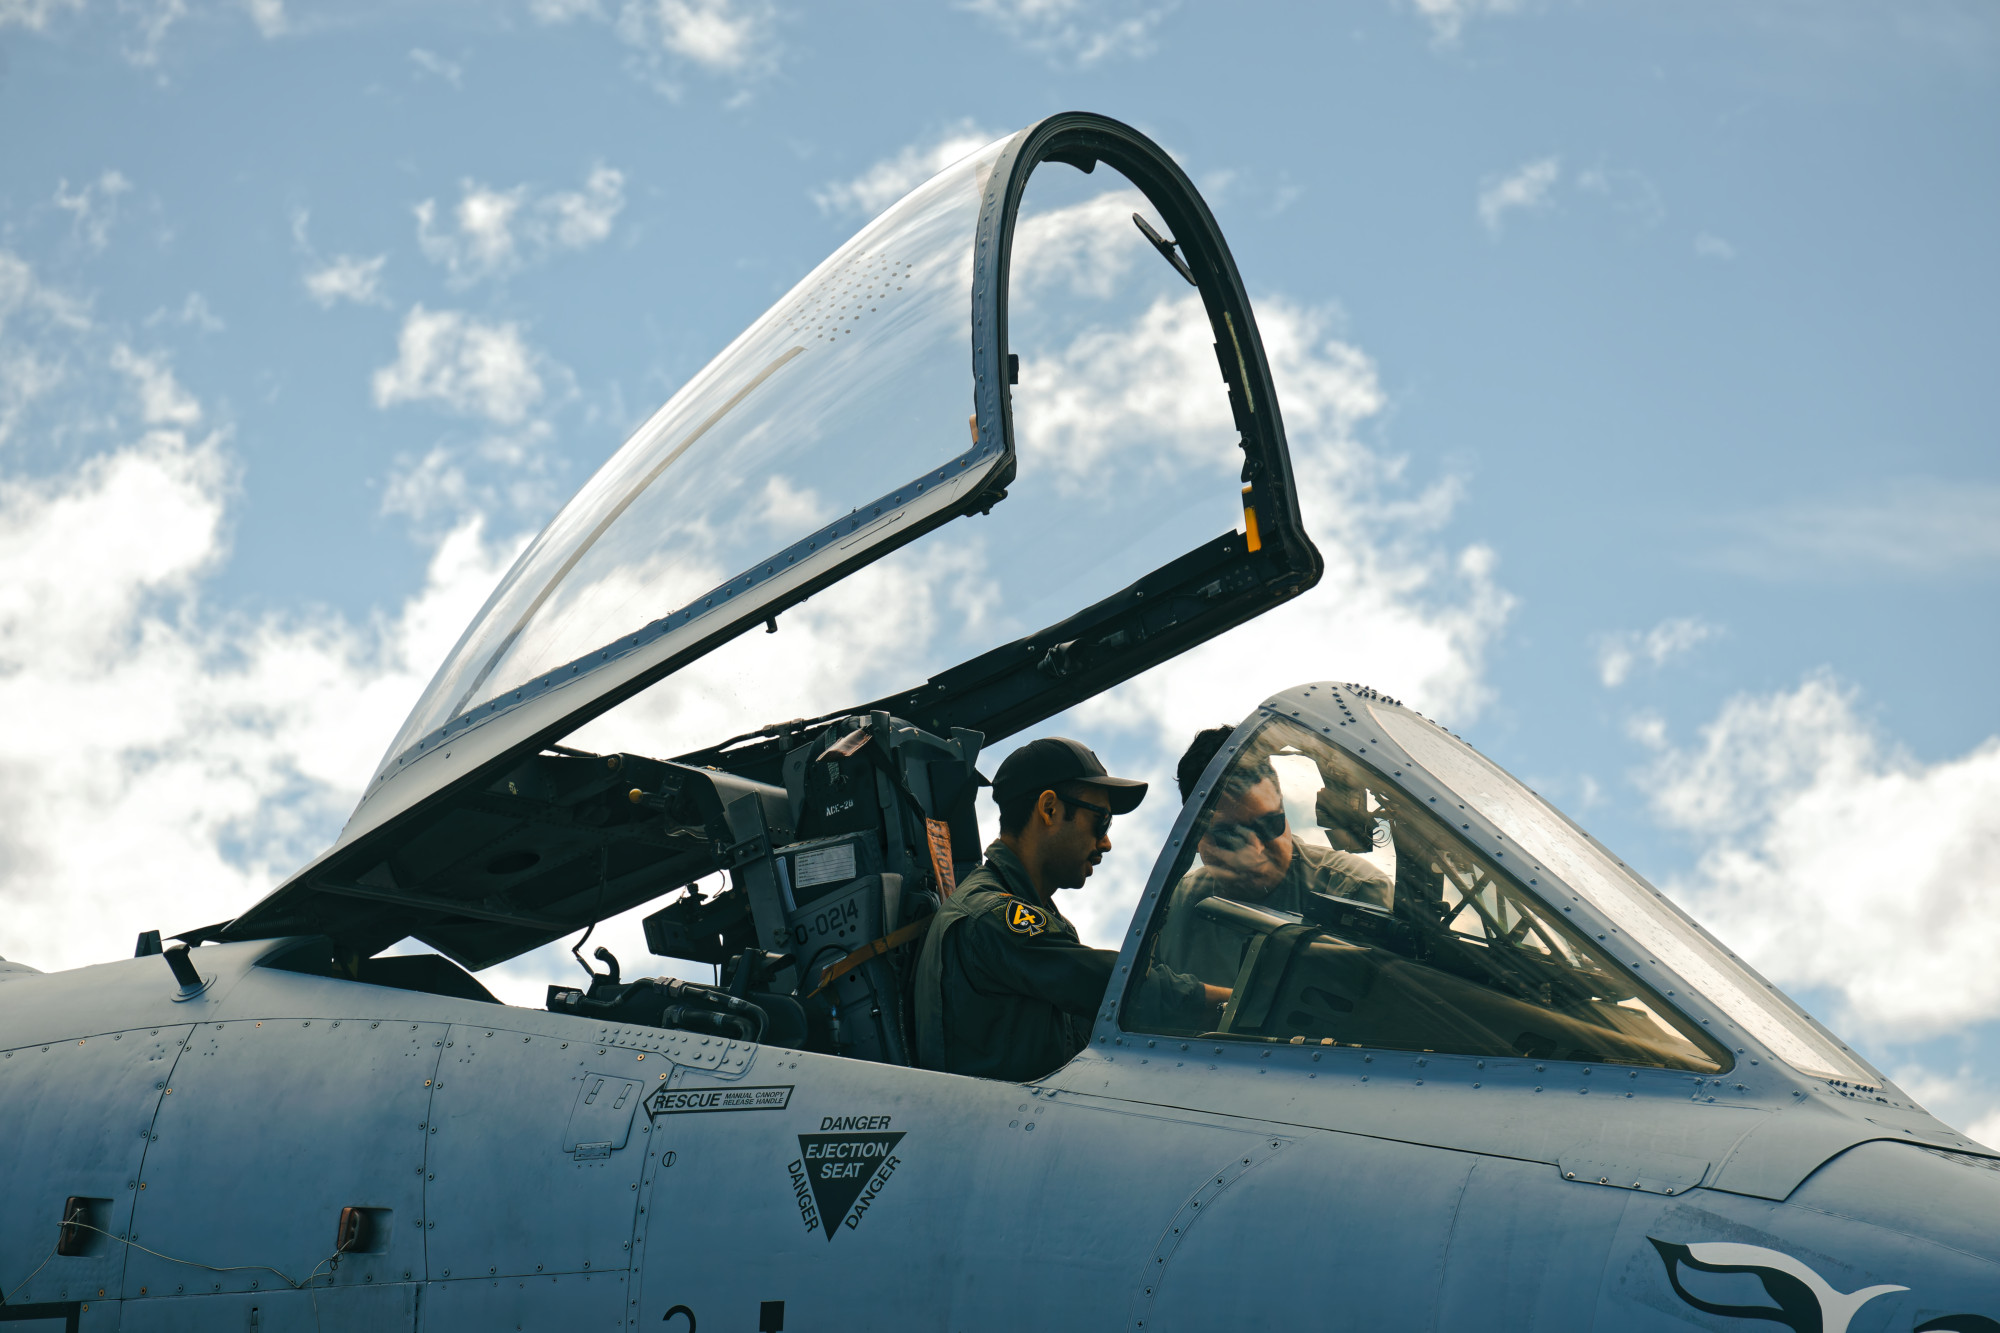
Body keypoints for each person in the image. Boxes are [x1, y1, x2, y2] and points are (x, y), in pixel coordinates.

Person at [912, 737, 1223, 1082]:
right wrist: (1229, 1002)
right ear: (1049, 809)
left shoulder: (1034, 916)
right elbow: (1109, 985)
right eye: (1100, 821)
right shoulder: (991, 916)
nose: (1106, 842)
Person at [1153, 725, 1394, 989]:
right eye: (1230, 837)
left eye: (1270, 824)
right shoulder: (1170, 909)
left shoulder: (1356, 891)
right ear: (1196, 839)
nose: (1255, 850)